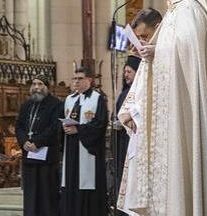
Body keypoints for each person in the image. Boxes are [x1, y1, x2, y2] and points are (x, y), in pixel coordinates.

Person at [118, 0, 207, 216]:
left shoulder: (191, 6)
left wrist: (156, 51)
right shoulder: (174, 9)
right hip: (168, 107)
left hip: (182, 107)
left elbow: (188, 51)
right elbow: (170, 48)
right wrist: (151, 51)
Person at [60, 67, 108, 216]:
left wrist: (78, 130)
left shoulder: (97, 98)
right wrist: (65, 128)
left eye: (80, 79)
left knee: (87, 183)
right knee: (71, 181)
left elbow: (100, 124)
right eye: (74, 79)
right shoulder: (69, 99)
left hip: (88, 150)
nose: (76, 82)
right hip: (71, 149)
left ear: (89, 80)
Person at [15, 75, 64, 216]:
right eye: (34, 84)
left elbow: (54, 127)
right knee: (30, 194)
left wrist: (37, 142)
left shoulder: (56, 104)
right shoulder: (26, 105)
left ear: (46, 87)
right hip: (29, 155)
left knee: (47, 195)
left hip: (47, 157)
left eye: (40, 84)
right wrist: (24, 142)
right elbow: (19, 126)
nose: (36, 87)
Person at [113, 55, 140, 216]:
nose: (126, 75)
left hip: (133, 141)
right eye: (125, 72)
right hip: (123, 142)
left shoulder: (138, 92)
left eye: (129, 72)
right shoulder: (124, 93)